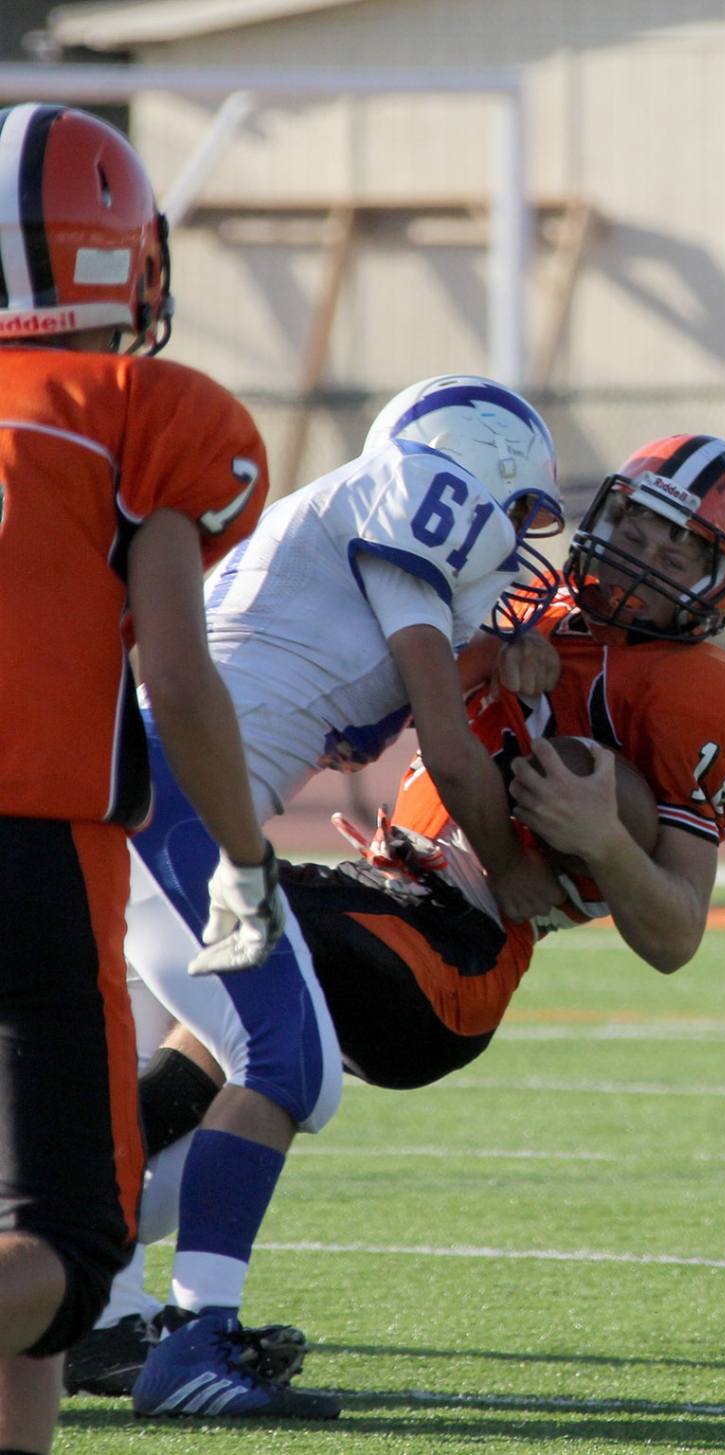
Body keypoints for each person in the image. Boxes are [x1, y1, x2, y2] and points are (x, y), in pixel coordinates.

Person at [67, 431, 725, 1401]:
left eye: (679, 551)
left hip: (457, 950)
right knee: (186, 1064)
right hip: (376, 888)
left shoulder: (710, 701)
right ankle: (64, 1269)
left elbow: (674, 935)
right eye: (639, 529)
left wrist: (603, 841)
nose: (644, 558)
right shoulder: (525, 599)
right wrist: (495, 645)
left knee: (246, 957)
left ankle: (174, 1317)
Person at [100, 374, 567, 1418]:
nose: (524, 539)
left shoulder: (351, 521)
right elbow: (446, 744)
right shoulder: (417, 488)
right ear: (479, 462)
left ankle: (95, 1311)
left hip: (131, 791)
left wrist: (494, 647)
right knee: (291, 1064)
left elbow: (344, 664)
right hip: (173, 806)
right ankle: (195, 1340)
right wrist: (512, 873)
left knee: (120, 1086)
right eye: (524, 507)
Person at [0, 102, 285, 1455]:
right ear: (125, 256)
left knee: (18, 1267)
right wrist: (242, 853)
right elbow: (176, 674)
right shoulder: (141, 412)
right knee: (67, 1241)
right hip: (29, 847)